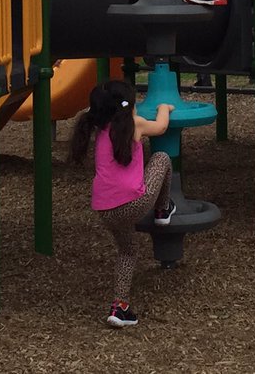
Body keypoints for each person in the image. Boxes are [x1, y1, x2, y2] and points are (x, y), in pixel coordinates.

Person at [69, 80, 176, 328]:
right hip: (135, 202)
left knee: (127, 251)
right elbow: (161, 127)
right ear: (129, 107)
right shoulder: (135, 124)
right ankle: (163, 209)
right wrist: (164, 107)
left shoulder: (99, 129)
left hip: (106, 209)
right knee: (162, 158)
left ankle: (120, 308)